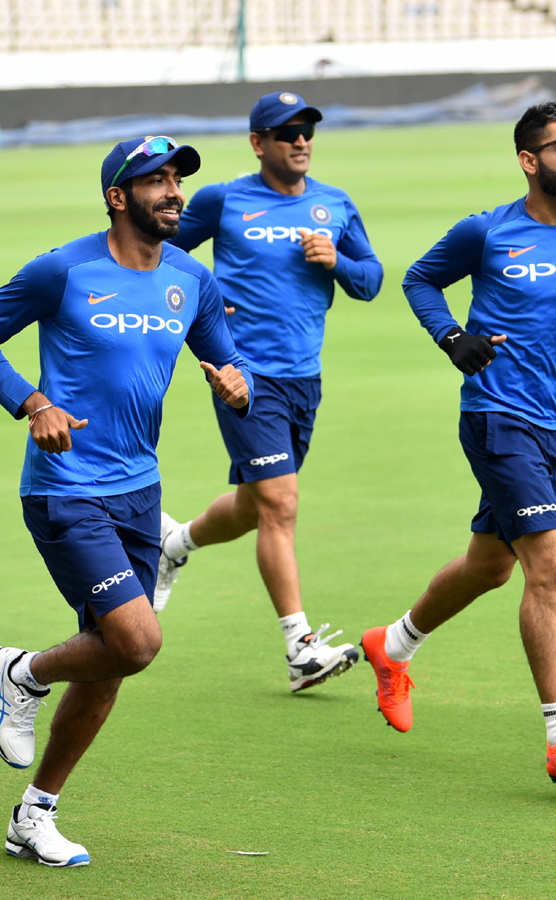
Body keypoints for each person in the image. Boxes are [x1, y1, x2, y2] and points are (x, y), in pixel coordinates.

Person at [0, 136, 252, 867]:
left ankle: (35, 813)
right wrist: (31, 402)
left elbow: (221, 350)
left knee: (112, 660)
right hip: (65, 491)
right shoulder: (65, 270)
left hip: (139, 492)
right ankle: (18, 673)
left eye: (178, 178)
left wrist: (234, 379)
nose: (174, 190)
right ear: (119, 198)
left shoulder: (191, 277)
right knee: (138, 641)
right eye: (156, 181)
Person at [360, 101, 556, 785]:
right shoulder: (487, 231)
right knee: (547, 562)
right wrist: (452, 337)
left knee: (490, 566)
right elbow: (420, 279)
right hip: (497, 418)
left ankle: (392, 644)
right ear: (529, 161)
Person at [156, 91, 384, 692]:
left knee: (257, 505)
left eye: (307, 130)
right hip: (242, 375)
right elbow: (157, 257)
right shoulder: (223, 200)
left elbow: (372, 281)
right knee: (281, 503)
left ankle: (174, 544)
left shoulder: (335, 205)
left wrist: (337, 261)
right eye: (287, 133)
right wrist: (200, 325)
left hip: (304, 377)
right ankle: (300, 648)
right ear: (259, 143)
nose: (301, 141)